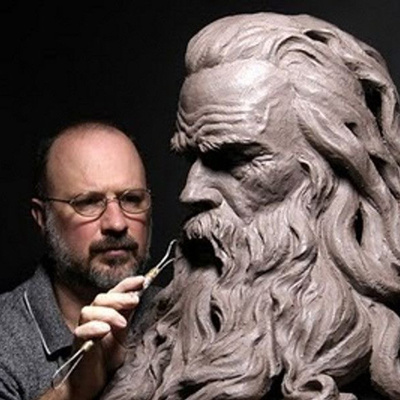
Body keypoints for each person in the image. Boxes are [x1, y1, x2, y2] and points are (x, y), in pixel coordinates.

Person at [100, 12, 400, 400]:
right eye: (190, 159)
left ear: (331, 169)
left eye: (234, 159)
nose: (190, 193)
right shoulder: (144, 339)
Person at [0, 120, 156, 400]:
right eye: (88, 202)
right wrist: (72, 390)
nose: (117, 223)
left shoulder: (185, 313)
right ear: (42, 218)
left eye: (132, 199)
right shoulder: (5, 336)